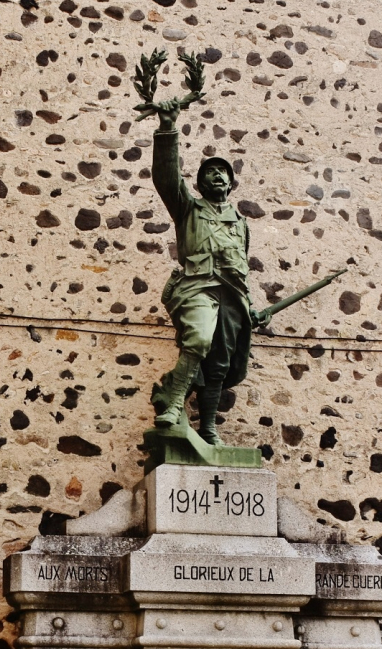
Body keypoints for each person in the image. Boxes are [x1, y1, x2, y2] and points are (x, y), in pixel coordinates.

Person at [150, 97, 267, 446]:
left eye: (222, 172)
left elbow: (240, 270)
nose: (216, 175)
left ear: (231, 184)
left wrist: (249, 307)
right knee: (199, 339)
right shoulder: (188, 209)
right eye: (209, 172)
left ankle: (209, 428)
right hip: (197, 286)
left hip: (231, 295)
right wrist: (168, 127)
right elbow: (167, 178)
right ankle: (172, 400)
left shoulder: (240, 224)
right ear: (200, 184)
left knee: (219, 362)